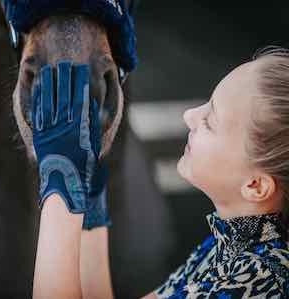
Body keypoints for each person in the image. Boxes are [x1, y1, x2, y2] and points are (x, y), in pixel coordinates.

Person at [30, 47, 289, 299]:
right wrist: (90, 197)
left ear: (255, 186)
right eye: (206, 103)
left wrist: (60, 181)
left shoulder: (263, 280)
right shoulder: (228, 247)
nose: (190, 115)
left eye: (210, 121)